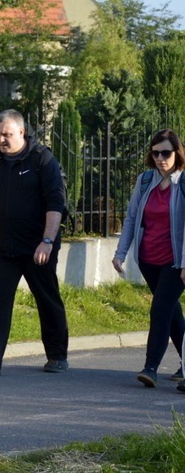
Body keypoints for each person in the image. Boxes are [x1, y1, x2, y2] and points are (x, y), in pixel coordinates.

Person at [0, 109, 69, 376]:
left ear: (21, 132)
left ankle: (57, 355)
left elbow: (56, 203)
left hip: (37, 248)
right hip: (3, 246)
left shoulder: (42, 159)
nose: (1, 140)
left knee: (46, 299)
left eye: (6, 134)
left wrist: (47, 240)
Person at [112, 129, 185, 389]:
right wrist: (121, 253)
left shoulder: (184, 182)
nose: (160, 158)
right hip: (148, 260)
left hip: (176, 261)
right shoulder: (145, 181)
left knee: (160, 309)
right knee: (171, 310)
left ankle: (150, 367)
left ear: (177, 153)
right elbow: (132, 217)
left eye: (166, 152)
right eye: (155, 153)